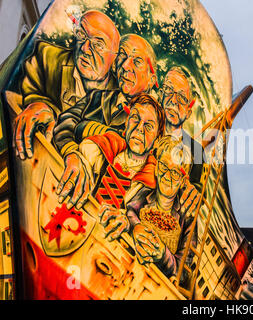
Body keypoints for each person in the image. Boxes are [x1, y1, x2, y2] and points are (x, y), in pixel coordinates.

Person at [54, 33, 159, 210]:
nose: (126, 66)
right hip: (63, 192)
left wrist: (84, 128)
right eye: (123, 56)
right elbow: (65, 122)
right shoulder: (97, 98)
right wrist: (71, 153)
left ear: (152, 79)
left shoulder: (152, 127)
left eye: (137, 61)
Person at [13, 10, 120, 160]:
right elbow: (30, 84)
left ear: (114, 57)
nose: (85, 48)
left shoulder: (120, 99)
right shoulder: (46, 57)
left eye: (98, 44)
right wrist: (39, 104)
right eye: (82, 35)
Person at [73, 94, 165, 239]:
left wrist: (128, 222)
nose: (140, 128)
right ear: (127, 122)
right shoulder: (105, 146)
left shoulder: (154, 185)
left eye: (148, 126)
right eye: (135, 118)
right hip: (77, 221)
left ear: (157, 139)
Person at [125, 135, 197, 279]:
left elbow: (183, 269)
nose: (167, 175)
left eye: (175, 172)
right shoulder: (144, 193)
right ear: (157, 168)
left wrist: (163, 255)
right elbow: (129, 211)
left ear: (183, 182)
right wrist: (136, 227)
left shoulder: (188, 219)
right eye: (164, 166)